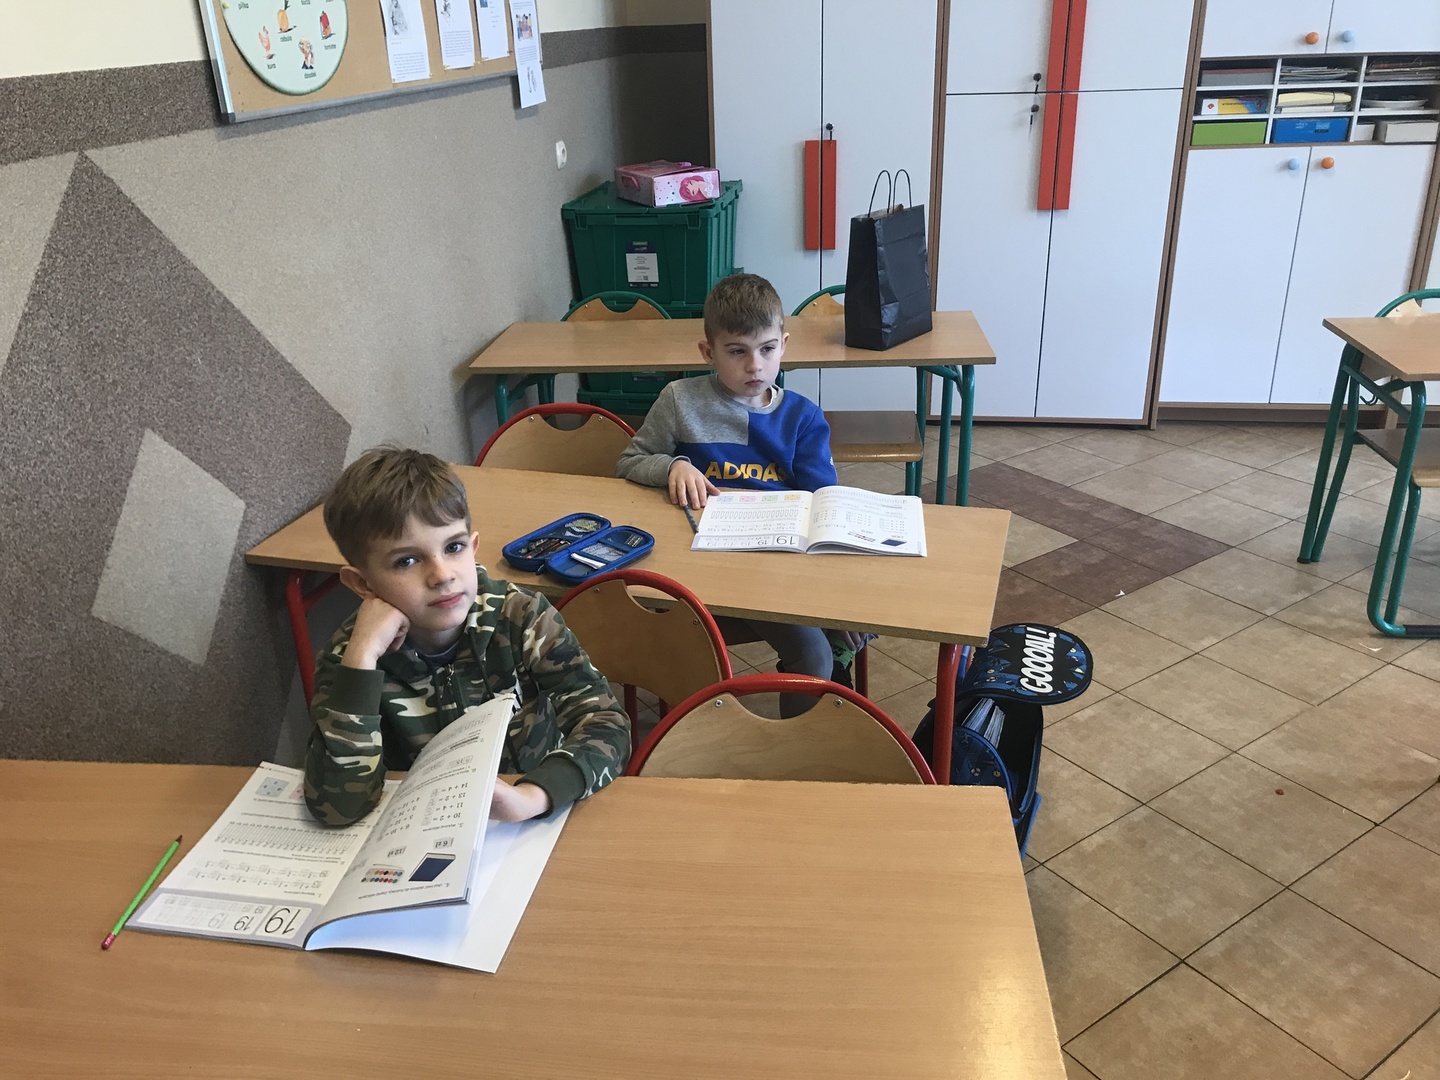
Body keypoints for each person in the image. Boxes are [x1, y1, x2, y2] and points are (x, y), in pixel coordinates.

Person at [304, 447, 629, 827]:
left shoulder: (521, 617)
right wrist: (361, 660)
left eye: (453, 547)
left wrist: (533, 796)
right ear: (362, 584)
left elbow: (606, 722)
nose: (442, 575)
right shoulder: (349, 656)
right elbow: (337, 808)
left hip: (531, 814)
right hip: (421, 823)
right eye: (406, 561)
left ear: (473, 548)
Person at [615, 272, 864, 716]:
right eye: (737, 352)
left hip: (773, 573)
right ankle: (694, 730)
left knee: (815, 657)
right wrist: (672, 465)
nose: (754, 366)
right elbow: (630, 461)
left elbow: (823, 505)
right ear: (707, 352)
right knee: (674, 648)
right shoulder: (679, 400)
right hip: (695, 566)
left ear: (784, 345)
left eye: (767, 350)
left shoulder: (802, 417)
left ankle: (793, 747)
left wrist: (835, 597)